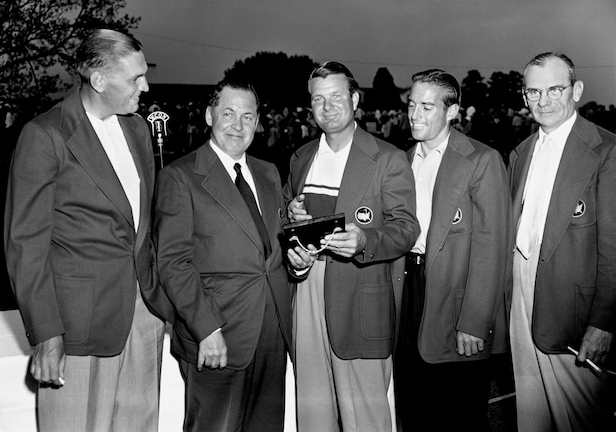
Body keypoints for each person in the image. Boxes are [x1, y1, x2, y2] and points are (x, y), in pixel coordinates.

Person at [4, 28, 173, 431]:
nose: (145, 86)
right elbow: (25, 244)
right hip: (77, 324)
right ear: (99, 81)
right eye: (135, 78)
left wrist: (160, 303)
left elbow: (143, 225)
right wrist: (46, 334)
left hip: (142, 316)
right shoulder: (45, 135)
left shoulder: (136, 130)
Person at [285, 61, 419, 431]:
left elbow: (407, 228)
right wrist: (291, 215)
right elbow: (285, 222)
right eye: (318, 100)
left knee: (366, 419)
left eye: (336, 97)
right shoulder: (301, 158)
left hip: (360, 298)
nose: (327, 107)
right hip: (308, 294)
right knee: (314, 415)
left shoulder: (387, 158)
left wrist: (365, 240)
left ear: (355, 99)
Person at [154, 80, 292, 431]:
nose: (238, 125)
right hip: (217, 335)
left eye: (248, 116)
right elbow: (173, 263)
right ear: (208, 115)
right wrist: (206, 329)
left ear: (258, 120)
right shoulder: (180, 177)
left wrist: (298, 257)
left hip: (271, 332)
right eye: (228, 114)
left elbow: (272, 248)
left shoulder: (268, 172)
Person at [393, 69, 512, 431]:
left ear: (453, 111)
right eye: (412, 105)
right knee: (413, 406)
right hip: (407, 291)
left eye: (427, 107)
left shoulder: (482, 159)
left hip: (455, 296)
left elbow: (493, 246)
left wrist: (475, 321)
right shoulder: (400, 160)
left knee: (461, 414)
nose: (414, 115)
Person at [509, 52, 616, 431]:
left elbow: (613, 249)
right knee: (532, 415)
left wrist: (604, 322)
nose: (544, 100)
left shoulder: (606, 150)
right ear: (524, 98)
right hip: (521, 296)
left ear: (577, 90)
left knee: (583, 418)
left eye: (555, 89)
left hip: (574, 308)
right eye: (534, 92)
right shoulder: (520, 153)